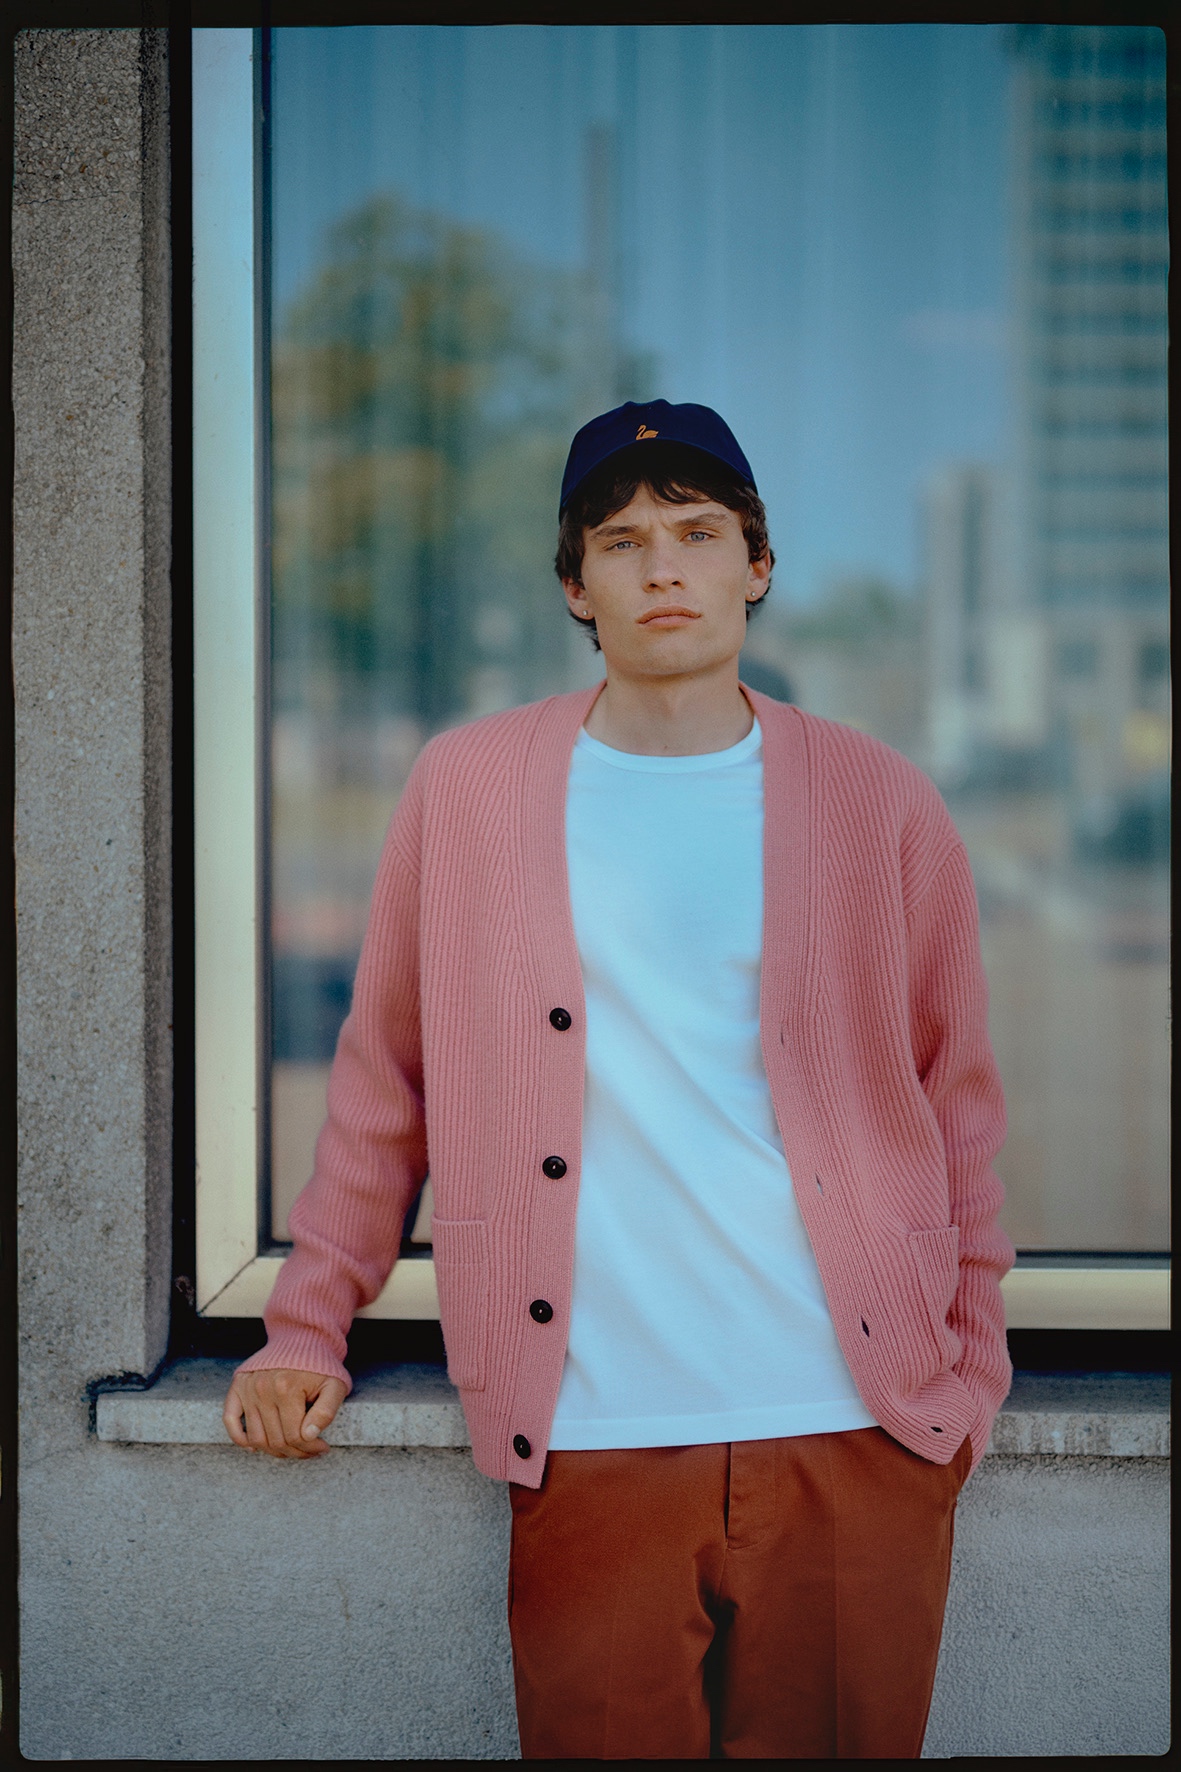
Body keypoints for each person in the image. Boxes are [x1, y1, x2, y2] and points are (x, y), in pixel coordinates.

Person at [224, 399, 1014, 1760]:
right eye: (623, 539)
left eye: (698, 534)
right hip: (589, 1433)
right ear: (574, 586)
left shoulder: (879, 799)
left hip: (855, 1430)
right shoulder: (468, 790)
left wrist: (969, 1373)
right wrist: (307, 1327)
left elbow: (958, 1100)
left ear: (753, 566)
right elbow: (383, 1085)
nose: (663, 568)